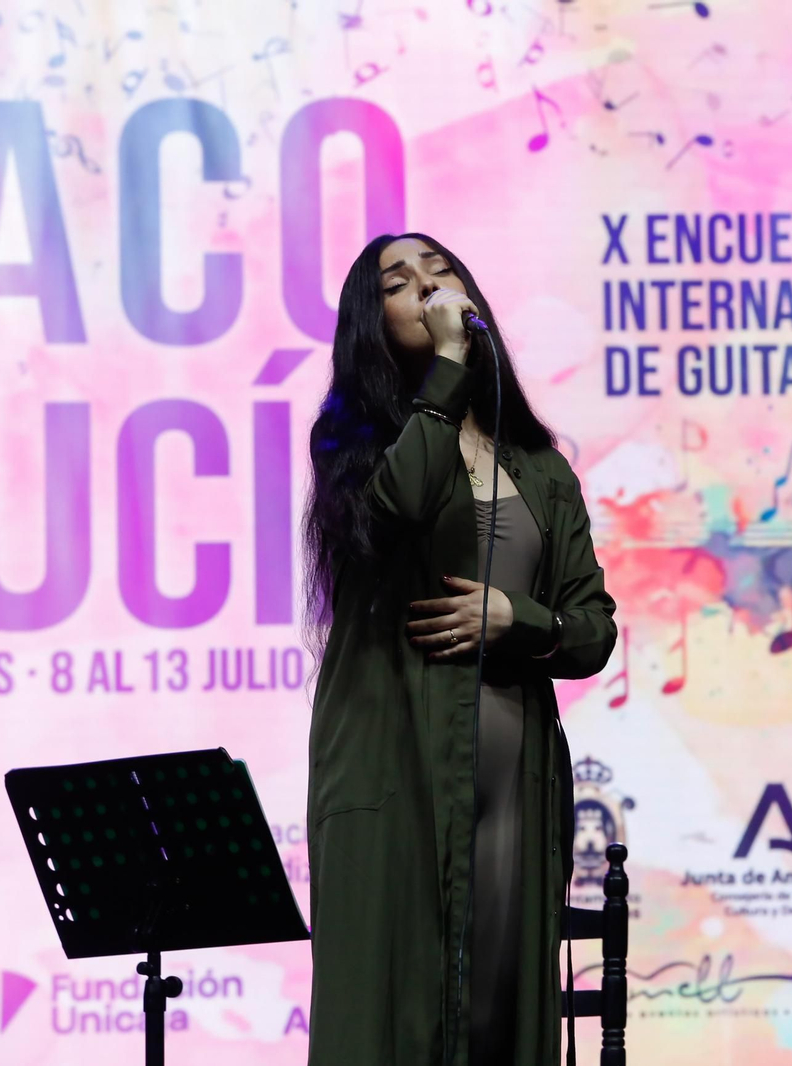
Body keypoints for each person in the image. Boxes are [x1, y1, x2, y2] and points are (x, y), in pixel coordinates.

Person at [301, 232, 618, 1066]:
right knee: (390, 1012)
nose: (429, 288)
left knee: (498, 1012)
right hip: (391, 769)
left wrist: (522, 619)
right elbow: (400, 505)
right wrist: (443, 382)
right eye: (401, 285)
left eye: (441, 272)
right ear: (376, 325)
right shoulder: (353, 445)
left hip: (516, 784)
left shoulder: (540, 467)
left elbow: (592, 629)